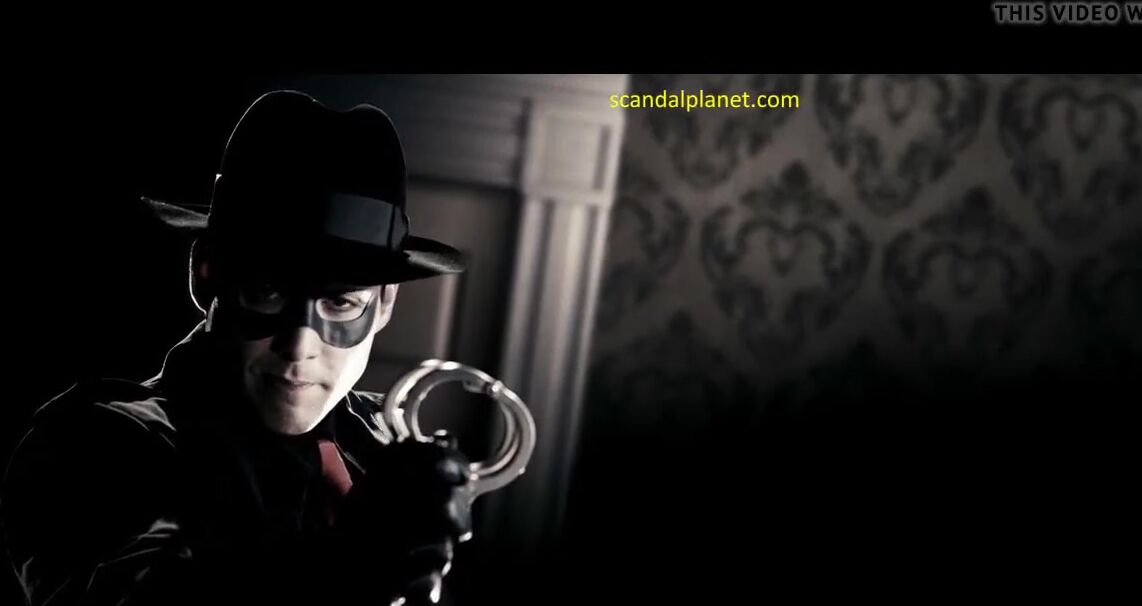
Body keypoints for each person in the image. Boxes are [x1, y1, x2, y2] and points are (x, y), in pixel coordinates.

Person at [1, 90, 476, 606]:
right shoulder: (96, 446)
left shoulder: (383, 446)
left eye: (340, 302)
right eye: (268, 292)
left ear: (384, 305)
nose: (299, 344)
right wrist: (341, 570)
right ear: (205, 275)